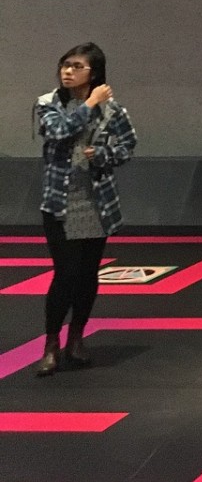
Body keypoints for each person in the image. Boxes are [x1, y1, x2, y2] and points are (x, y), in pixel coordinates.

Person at [34, 42, 137, 377]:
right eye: (65, 65)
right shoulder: (48, 103)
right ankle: (51, 343)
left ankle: (76, 338)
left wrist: (104, 155)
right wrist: (90, 103)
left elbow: (128, 144)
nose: (68, 71)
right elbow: (59, 132)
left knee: (88, 274)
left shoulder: (112, 109)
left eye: (77, 66)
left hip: (96, 201)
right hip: (60, 202)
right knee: (65, 273)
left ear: (93, 73)